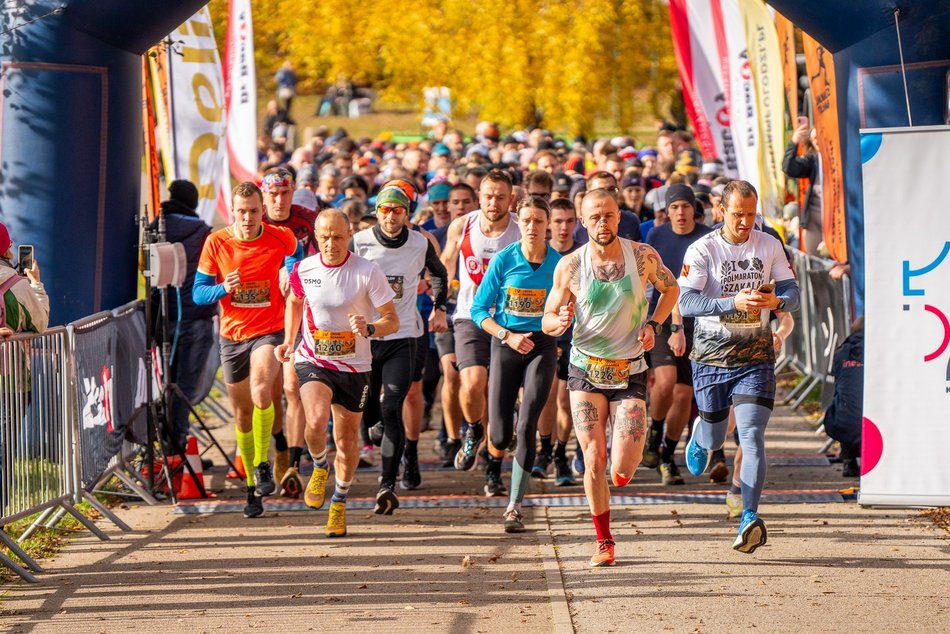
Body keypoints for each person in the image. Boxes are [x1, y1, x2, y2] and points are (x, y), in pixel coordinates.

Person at [542, 189, 680, 567]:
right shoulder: (570, 266)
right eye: (595, 217)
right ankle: (604, 541)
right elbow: (548, 318)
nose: (602, 223)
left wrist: (654, 323)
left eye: (609, 216)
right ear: (582, 222)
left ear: (619, 217)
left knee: (623, 466)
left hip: (630, 369)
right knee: (593, 457)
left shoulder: (642, 256)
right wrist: (560, 322)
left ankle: (618, 475)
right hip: (585, 369)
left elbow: (671, 289)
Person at [678, 180, 800, 554]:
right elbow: (686, 303)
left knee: (751, 436)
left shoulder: (768, 244)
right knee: (716, 439)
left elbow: (792, 295)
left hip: (755, 357)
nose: (745, 222)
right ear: (721, 211)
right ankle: (701, 435)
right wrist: (732, 302)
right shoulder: (703, 249)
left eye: (750, 214)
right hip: (712, 358)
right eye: (737, 214)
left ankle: (749, 515)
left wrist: (775, 299)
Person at [275, 209, 399, 537]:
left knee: (345, 440)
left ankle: (339, 501)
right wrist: (289, 340)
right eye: (325, 237)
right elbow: (295, 303)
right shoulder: (304, 268)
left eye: (338, 237)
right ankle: (318, 465)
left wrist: (370, 327)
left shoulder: (367, 271)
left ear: (349, 236)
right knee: (315, 420)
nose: (331, 243)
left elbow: (392, 320)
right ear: (316, 237)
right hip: (313, 359)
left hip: (355, 366)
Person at [193, 182, 299, 518]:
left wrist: (289, 272)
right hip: (232, 336)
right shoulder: (217, 242)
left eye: (254, 211)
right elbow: (198, 294)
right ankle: (253, 486)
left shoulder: (281, 236)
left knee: (262, 392)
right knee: (241, 415)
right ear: (233, 212)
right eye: (242, 212)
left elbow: (300, 266)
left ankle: (264, 463)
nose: (248, 218)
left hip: (268, 332)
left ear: (262, 209)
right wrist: (224, 287)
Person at [351, 186, 448, 512]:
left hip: (403, 336)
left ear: (407, 214)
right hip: (365, 337)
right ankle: (374, 429)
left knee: (393, 405)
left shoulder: (419, 243)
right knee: (368, 408)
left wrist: (440, 307)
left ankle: (387, 485)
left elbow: (439, 273)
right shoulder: (361, 241)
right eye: (385, 210)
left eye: (398, 210)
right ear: (376, 212)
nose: (391, 216)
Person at [471, 195, 560, 528]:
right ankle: (497, 443)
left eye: (539, 220)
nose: (533, 227)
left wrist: (562, 322)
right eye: (526, 221)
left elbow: (571, 307)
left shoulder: (558, 264)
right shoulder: (504, 260)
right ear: (517, 223)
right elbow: (480, 311)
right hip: (507, 343)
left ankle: (514, 506)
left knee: (527, 426)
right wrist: (507, 336)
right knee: (498, 436)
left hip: (541, 345)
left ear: (547, 224)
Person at [440, 170, 520, 495]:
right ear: (479, 196)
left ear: (511, 199)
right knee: (472, 384)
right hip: (470, 316)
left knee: (502, 396)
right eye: (488, 196)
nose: (494, 202)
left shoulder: (519, 228)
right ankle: (472, 429)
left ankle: (493, 469)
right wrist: (437, 299)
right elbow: (445, 264)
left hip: (509, 320)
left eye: (501, 196)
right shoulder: (463, 225)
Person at [641, 185, 713, 485]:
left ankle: (667, 454)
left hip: (699, 321)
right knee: (666, 379)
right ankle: (655, 429)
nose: (680, 213)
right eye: (674, 207)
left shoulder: (707, 237)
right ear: (666, 211)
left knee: (685, 392)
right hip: (662, 318)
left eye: (685, 206)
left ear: (693, 209)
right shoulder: (656, 237)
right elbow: (653, 281)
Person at [149, 180, 216, 453]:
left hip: (160, 318)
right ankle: (177, 450)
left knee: (162, 382)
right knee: (184, 387)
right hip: (196, 317)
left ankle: (167, 447)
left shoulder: (154, 229)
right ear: (194, 202)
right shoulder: (204, 234)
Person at [535, 198, 579, 486]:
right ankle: (544, 450)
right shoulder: (542, 254)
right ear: (549, 224)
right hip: (547, 333)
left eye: (569, 221)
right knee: (547, 396)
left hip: (578, 336)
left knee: (566, 399)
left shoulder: (583, 254)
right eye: (558, 221)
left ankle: (562, 453)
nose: (563, 228)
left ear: (576, 223)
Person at [782, 120, 823, 256]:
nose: (817, 141)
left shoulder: (842, 157)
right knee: (815, 262)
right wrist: (794, 141)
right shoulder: (813, 159)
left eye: (819, 137)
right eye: (813, 139)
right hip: (814, 219)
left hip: (836, 219)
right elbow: (789, 167)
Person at [573, 171, 642, 245]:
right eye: (600, 190)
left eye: (612, 189)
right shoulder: (576, 229)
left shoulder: (631, 221)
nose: (607, 194)